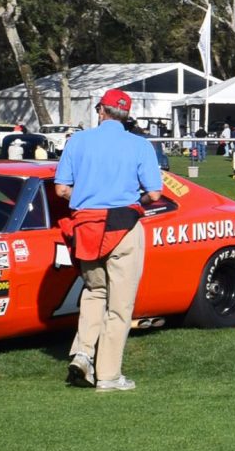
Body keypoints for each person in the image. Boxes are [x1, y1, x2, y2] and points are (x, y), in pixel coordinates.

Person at [54, 89, 162, 392]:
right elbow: (155, 193)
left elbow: (62, 189)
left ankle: (84, 352)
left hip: (86, 225)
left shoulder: (77, 141)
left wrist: (89, 201)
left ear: (101, 111)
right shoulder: (139, 145)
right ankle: (109, 375)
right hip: (123, 226)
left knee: (93, 292)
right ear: (125, 116)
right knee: (120, 305)